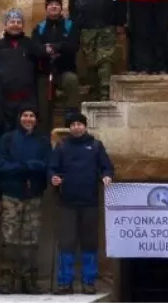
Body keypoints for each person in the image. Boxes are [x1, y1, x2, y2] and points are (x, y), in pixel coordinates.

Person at [48, 112, 115, 295]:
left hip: (90, 202)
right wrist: (53, 177)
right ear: (69, 128)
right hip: (67, 202)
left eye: (80, 124)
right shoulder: (62, 147)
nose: (77, 127)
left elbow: (107, 166)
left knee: (90, 243)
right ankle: (64, 282)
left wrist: (107, 176)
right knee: (66, 243)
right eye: (73, 124)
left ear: (85, 126)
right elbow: (53, 168)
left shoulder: (95, 146)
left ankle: (88, 281)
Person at [0, 107, 51, 294]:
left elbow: (46, 165)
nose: (28, 119)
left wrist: (32, 167)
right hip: (11, 194)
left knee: (31, 240)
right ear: (19, 118)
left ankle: (29, 281)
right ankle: (7, 281)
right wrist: (25, 167)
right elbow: (2, 165)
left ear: (36, 119)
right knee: (9, 240)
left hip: (33, 196)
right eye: (25, 115)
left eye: (32, 116)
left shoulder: (42, 141)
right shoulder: (7, 139)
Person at [68, 0, 124, 101]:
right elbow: (72, 3)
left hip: (107, 26)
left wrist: (119, 23)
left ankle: (106, 93)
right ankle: (95, 92)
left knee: (105, 60)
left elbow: (119, 1)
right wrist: (76, 23)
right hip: (87, 28)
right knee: (90, 61)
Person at [0, 9, 47, 136]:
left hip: (27, 99)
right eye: (12, 21)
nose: (15, 24)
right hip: (4, 100)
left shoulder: (30, 44)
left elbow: (39, 67)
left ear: (23, 26)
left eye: (19, 22)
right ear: (6, 25)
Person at [33, 0, 82, 124]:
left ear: (61, 8)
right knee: (43, 99)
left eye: (57, 4)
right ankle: (44, 128)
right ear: (46, 8)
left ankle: (72, 120)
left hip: (64, 69)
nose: (53, 7)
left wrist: (55, 47)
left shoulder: (70, 26)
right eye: (50, 5)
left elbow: (73, 46)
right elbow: (35, 48)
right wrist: (45, 50)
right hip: (45, 72)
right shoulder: (39, 28)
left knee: (71, 80)